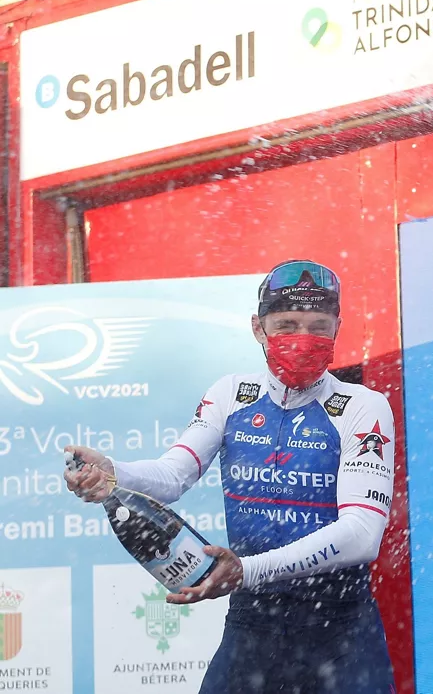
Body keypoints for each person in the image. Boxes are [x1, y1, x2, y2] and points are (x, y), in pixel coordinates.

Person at [64, 260, 398, 694]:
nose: (303, 339)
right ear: (258, 329)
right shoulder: (230, 393)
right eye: (287, 324)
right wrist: (115, 472)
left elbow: (362, 534)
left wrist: (247, 571)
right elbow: (173, 475)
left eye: (318, 326)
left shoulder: (362, 406)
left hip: (341, 626)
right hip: (254, 624)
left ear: (337, 327)